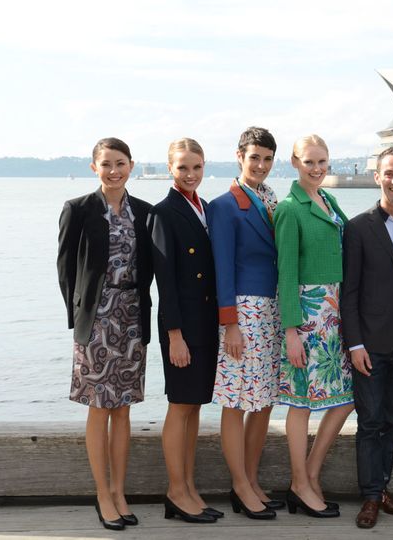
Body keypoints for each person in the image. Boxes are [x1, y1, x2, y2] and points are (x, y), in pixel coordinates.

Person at [57, 137, 153, 531]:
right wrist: (78, 318)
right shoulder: (78, 209)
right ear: (94, 167)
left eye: (120, 163)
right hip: (96, 321)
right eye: (106, 164)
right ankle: (102, 494)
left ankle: (119, 492)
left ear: (132, 165)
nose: (114, 171)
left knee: (124, 408)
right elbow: (65, 269)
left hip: (132, 317)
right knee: (100, 408)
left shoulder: (145, 213)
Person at [340, 147, 393, 529]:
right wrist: (354, 344)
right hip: (371, 344)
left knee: (391, 419)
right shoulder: (358, 227)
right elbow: (350, 291)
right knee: (370, 421)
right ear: (377, 176)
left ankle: (383, 489)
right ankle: (370, 497)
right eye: (388, 173)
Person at [274, 134, 353, 518]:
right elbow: (286, 274)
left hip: (333, 314)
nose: (317, 168)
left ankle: (310, 475)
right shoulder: (290, 208)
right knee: (301, 402)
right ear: (294, 162)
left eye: (322, 162)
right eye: (309, 162)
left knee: (346, 398)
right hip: (307, 316)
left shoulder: (328, 200)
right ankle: (300, 483)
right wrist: (291, 331)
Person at [207, 127, 282, 520]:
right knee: (236, 401)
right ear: (239, 156)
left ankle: (251, 480)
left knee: (264, 401)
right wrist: (229, 324)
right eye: (254, 157)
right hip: (243, 312)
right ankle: (238, 485)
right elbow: (222, 269)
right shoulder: (223, 205)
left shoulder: (271, 199)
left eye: (268, 159)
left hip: (271, 312)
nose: (261, 165)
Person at [148, 138, 220, 524]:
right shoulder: (164, 212)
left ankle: (189, 487)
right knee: (179, 406)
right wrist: (174, 335)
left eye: (196, 167)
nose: (190, 174)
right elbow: (166, 282)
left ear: (204, 166)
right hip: (182, 328)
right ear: (170, 168)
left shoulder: (204, 208)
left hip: (205, 323)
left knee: (194, 407)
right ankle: (176, 492)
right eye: (182, 168)